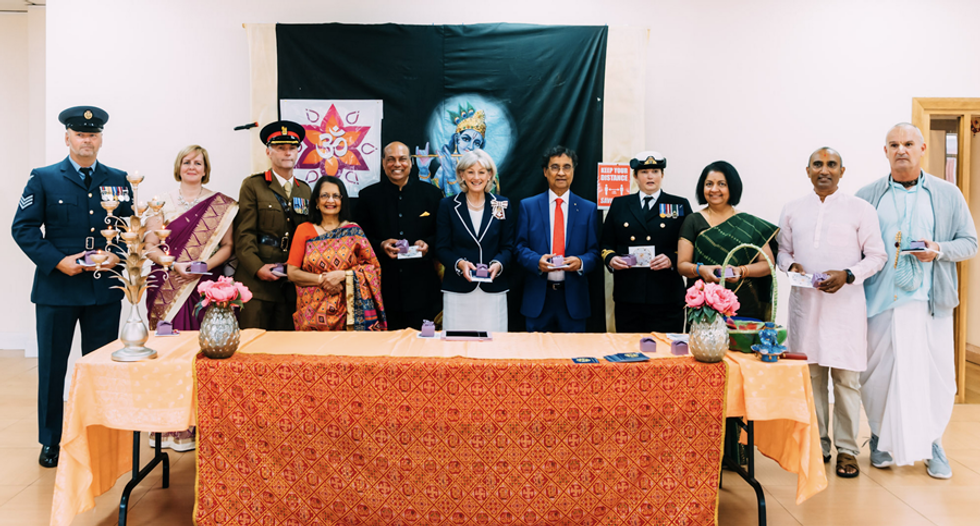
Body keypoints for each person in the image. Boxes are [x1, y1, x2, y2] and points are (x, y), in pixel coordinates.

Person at [12, 106, 132, 468]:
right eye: (80, 134)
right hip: (57, 291)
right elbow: (24, 229)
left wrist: (118, 255)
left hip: (102, 291)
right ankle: (51, 439)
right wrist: (57, 261)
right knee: (52, 368)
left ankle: (99, 433)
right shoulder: (44, 178)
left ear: (100, 139)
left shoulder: (118, 179)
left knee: (99, 367)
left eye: (93, 134)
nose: (87, 140)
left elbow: (128, 228)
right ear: (67, 137)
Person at [857, 123, 977, 478]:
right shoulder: (867, 195)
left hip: (929, 303)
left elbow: (969, 242)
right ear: (885, 151)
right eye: (894, 144)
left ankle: (933, 443)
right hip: (881, 301)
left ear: (922, 147)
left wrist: (938, 250)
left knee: (935, 377)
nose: (901, 150)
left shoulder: (947, 193)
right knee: (877, 376)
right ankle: (880, 437)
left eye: (908, 143)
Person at [777, 147, 887, 478]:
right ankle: (818, 444)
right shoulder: (793, 209)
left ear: (842, 171)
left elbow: (877, 256)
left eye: (831, 165)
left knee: (846, 380)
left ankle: (848, 450)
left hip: (845, 309)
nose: (824, 170)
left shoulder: (861, 210)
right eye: (818, 165)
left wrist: (848, 275)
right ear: (807, 170)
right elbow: (782, 250)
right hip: (806, 307)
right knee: (810, 379)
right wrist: (790, 265)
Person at [145, 145, 237, 331]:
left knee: (206, 340)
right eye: (186, 162)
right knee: (167, 343)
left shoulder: (222, 204)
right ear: (178, 168)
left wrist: (203, 267)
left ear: (205, 170)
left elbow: (228, 245)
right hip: (167, 281)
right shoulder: (160, 203)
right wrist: (173, 265)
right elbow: (150, 246)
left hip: (206, 284)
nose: (192, 167)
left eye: (198, 163)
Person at [353, 142, 443, 330]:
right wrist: (381, 245)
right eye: (391, 159)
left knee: (423, 349)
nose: (397, 164)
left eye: (402, 159)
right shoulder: (368, 197)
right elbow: (359, 239)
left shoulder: (432, 195)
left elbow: (443, 235)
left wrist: (427, 244)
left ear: (410, 162)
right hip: (383, 290)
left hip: (423, 290)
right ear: (383, 163)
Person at [234, 121, 313, 330]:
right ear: (269, 152)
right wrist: (257, 267)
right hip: (257, 283)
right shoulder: (253, 185)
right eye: (280, 148)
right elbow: (244, 233)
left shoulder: (305, 191)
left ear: (298, 152)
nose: (287, 153)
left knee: (286, 350)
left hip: (291, 284)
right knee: (252, 347)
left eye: (292, 148)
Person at [600, 151, 691, 332]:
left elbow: (692, 246)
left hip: (666, 295)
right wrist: (611, 258)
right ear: (635, 176)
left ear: (662, 175)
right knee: (629, 353)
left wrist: (672, 260)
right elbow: (605, 243)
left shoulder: (679, 205)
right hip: (629, 295)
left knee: (665, 355)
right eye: (644, 172)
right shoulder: (620, 204)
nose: (650, 176)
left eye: (655, 171)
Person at [678, 161, 778, 322]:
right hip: (705, 304)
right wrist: (701, 270)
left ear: (732, 187)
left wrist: (741, 270)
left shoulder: (749, 223)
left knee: (741, 346)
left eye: (721, 184)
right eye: (709, 184)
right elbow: (682, 264)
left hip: (744, 303)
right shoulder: (693, 220)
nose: (714, 189)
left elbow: (768, 265)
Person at [516, 146, 600, 332]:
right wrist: (536, 261)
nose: (561, 173)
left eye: (566, 167)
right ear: (545, 172)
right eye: (555, 167)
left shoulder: (588, 209)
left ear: (573, 171)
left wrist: (581, 262)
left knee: (573, 358)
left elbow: (594, 252)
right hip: (538, 299)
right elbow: (519, 248)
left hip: (574, 301)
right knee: (536, 358)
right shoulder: (528, 206)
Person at [286, 176, 386, 331]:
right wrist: (323, 279)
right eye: (324, 196)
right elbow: (292, 273)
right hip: (311, 315)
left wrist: (343, 276)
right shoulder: (304, 230)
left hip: (349, 313)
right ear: (317, 202)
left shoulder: (354, 231)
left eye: (335, 196)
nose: (330, 201)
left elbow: (373, 268)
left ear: (342, 200)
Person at [435, 149, 514, 332]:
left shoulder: (501, 204)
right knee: (457, 348)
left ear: (490, 175)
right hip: (458, 289)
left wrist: (497, 264)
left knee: (493, 349)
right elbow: (442, 248)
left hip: (493, 290)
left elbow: (508, 247)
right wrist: (460, 263)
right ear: (461, 175)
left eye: (481, 172)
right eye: (470, 172)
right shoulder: (448, 205)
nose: (476, 177)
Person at [417, 102, 497, 196]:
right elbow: (430, 196)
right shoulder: (445, 166)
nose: (471, 147)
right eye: (466, 139)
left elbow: (476, 201)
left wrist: (451, 177)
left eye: (476, 143)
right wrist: (424, 171)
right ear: (457, 139)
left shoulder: (485, 170)